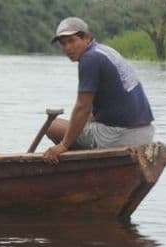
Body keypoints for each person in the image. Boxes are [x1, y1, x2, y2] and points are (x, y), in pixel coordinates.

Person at [43, 17, 155, 164]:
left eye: (72, 41)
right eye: (63, 44)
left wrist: (63, 145)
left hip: (121, 135)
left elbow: (83, 107)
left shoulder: (89, 59)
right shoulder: (105, 51)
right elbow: (91, 109)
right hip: (146, 131)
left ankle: (84, 166)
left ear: (87, 37)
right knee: (79, 126)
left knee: (52, 127)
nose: (67, 48)